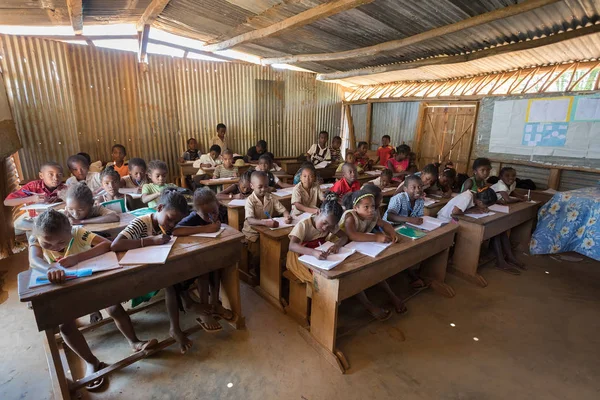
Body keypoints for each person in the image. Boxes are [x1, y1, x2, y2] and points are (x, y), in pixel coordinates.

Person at [30, 210, 156, 390]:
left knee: (114, 307)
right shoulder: (34, 238)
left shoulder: (78, 233)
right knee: (66, 326)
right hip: (60, 289)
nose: (54, 247)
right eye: (47, 243)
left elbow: (107, 245)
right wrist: (49, 269)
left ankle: (134, 341)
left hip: (86, 281)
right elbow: (34, 259)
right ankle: (92, 362)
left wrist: (76, 258)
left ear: (70, 231)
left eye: (61, 242)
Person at [111, 188, 192, 353]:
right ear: (160, 208)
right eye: (170, 219)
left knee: (172, 283)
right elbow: (116, 245)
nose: (171, 225)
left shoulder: (167, 226)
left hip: (157, 270)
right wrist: (150, 241)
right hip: (135, 273)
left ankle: (175, 328)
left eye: (176, 222)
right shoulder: (141, 223)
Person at [172, 188, 234, 330]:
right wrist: (204, 228)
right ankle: (205, 309)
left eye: (214, 211)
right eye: (206, 214)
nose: (211, 216)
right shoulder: (193, 217)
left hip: (211, 256)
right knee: (204, 273)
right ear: (197, 210)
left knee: (217, 270)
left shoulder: (220, 212)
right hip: (193, 260)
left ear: (217, 205)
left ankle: (215, 304)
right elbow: (175, 230)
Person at [340, 190, 406, 319]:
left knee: (376, 269)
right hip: (342, 250)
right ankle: (368, 305)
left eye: (373, 207)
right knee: (356, 275)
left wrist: (393, 233)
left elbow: (385, 224)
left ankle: (391, 295)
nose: (371, 210)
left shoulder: (372, 216)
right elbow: (352, 235)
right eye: (366, 207)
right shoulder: (350, 217)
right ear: (356, 208)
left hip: (361, 248)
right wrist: (376, 238)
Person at [437, 187, 523, 274]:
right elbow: (454, 212)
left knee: (498, 229)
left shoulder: (476, 196)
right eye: (485, 206)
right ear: (480, 202)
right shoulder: (467, 197)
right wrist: (473, 211)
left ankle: (508, 256)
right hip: (446, 221)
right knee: (488, 229)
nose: (486, 207)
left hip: (457, 219)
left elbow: (464, 209)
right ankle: (500, 261)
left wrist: (479, 209)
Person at [287, 193, 348, 283]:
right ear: (318, 212)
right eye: (324, 223)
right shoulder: (304, 225)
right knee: (320, 278)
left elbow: (344, 237)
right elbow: (292, 246)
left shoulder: (330, 225)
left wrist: (337, 245)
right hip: (300, 255)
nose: (325, 228)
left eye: (330, 226)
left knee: (340, 270)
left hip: (320, 253)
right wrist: (313, 252)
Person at [243, 171, 292, 270]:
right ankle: (259, 274)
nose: (263, 189)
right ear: (252, 186)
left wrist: (287, 216)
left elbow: (284, 210)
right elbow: (250, 220)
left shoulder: (270, 197)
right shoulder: (250, 200)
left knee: (278, 248)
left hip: (268, 230)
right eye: (260, 187)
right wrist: (265, 222)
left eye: (266, 186)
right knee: (260, 254)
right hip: (252, 233)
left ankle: (273, 271)